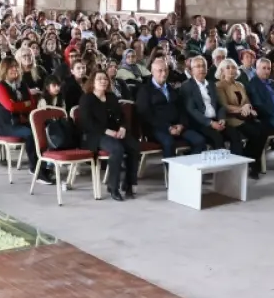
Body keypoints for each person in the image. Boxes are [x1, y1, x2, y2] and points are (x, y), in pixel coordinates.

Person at [78, 71, 140, 201]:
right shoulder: (87, 99)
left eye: (105, 79)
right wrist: (107, 131)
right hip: (96, 135)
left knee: (134, 146)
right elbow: (87, 123)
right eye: (99, 79)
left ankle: (128, 184)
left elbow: (122, 116)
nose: (103, 81)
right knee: (117, 149)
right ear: (93, 82)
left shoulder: (111, 97)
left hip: (115, 132)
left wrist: (123, 127)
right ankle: (113, 187)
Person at [135, 57, 204, 157]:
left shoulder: (171, 88)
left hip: (177, 126)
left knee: (199, 141)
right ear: (152, 72)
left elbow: (181, 109)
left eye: (166, 70)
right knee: (169, 143)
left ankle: (189, 165)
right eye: (160, 71)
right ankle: (171, 167)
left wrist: (181, 124)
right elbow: (145, 114)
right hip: (157, 128)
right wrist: (168, 127)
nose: (164, 73)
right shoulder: (145, 90)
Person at [0, 60, 42, 182]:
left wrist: (21, 105)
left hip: (20, 121)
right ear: (4, 70)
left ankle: (43, 164)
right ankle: (34, 167)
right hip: (6, 124)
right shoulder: (0, 87)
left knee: (41, 129)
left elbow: (32, 104)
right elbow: (10, 107)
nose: (15, 69)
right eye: (11, 67)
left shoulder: (22, 85)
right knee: (30, 134)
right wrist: (24, 104)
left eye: (16, 67)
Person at [213, 59, 265, 177]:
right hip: (230, 119)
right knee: (250, 133)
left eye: (233, 67)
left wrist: (248, 107)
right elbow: (224, 106)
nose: (231, 70)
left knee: (262, 131)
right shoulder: (219, 85)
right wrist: (242, 109)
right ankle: (248, 164)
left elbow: (247, 102)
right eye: (228, 68)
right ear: (222, 71)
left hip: (243, 117)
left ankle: (250, 159)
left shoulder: (239, 85)